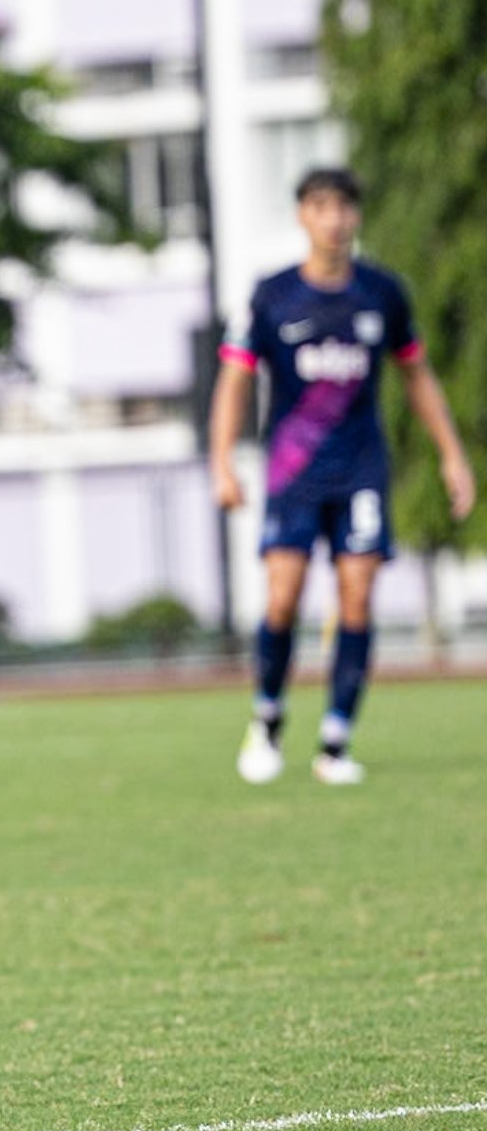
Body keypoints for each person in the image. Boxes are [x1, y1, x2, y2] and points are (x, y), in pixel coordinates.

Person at [210, 168, 475, 785]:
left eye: (344, 208)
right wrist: (221, 462)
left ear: (356, 217)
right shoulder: (271, 297)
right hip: (293, 472)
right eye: (321, 207)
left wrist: (451, 454)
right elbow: (233, 382)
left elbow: (416, 374)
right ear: (303, 215)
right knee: (283, 598)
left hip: (360, 468)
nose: (334, 220)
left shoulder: (382, 293)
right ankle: (268, 716)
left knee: (357, 595)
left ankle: (335, 739)